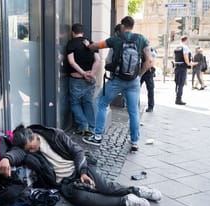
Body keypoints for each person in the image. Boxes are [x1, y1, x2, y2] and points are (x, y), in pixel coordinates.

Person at [0, 124, 162, 206]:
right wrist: (6, 158)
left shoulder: (55, 135)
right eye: (28, 150)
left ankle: (137, 190)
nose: (31, 152)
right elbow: (17, 152)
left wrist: (82, 172)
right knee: (83, 199)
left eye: (31, 147)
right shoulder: (27, 149)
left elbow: (78, 151)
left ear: (33, 135)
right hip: (65, 182)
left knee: (104, 186)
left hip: (80, 167)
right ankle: (126, 201)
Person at [81, 16, 153, 152]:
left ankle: (97, 136)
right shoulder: (142, 39)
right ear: (132, 26)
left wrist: (88, 45)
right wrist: (138, 76)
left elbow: (96, 46)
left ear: (122, 25)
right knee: (133, 112)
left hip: (117, 80)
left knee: (101, 102)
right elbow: (149, 61)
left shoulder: (116, 38)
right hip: (133, 81)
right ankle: (135, 142)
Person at [66, 23, 100, 136]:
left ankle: (83, 126)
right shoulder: (90, 43)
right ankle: (91, 128)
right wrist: (91, 74)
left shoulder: (71, 43)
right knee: (88, 103)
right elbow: (98, 60)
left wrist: (83, 73)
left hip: (76, 79)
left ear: (72, 32)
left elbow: (71, 61)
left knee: (75, 103)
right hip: (90, 79)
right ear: (83, 33)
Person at [173, 36, 192, 105]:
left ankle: (177, 97)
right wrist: (189, 64)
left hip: (176, 66)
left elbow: (174, 57)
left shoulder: (177, 47)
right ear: (186, 40)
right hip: (182, 67)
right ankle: (178, 99)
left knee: (177, 83)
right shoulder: (185, 47)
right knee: (181, 83)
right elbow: (186, 57)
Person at [140, 47, 157, 112]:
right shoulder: (150, 49)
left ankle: (150, 106)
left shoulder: (150, 50)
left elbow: (150, 62)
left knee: (150, 89)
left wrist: (141, 73)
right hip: (144, 70)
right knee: (149, 89)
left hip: (147, 71)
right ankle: (150, 106)